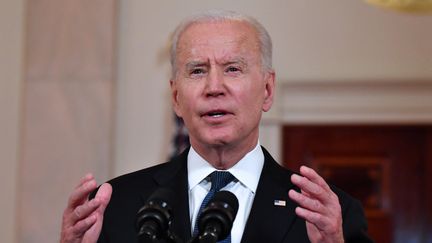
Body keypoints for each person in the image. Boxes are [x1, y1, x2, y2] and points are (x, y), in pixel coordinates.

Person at [61, 10, 372, 243]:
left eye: (233, 69)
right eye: (197, 71)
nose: (214, 87)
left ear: (267, 90)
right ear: (176, 97)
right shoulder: (114, 206)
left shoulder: (329, 214)